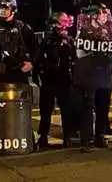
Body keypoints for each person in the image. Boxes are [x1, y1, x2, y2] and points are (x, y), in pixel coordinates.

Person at [72, 4, 112, 153]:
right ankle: (87, 139)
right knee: (87, 108)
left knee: (103, 108)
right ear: (94, 15)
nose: (105, 16)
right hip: (88, 75)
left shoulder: (108, 32)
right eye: (103, 13)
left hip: (104, 75)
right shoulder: (84, 31)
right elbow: (79, 53)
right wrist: (93, 48)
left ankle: (100, 135)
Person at [34, 12, 76, 149]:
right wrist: (38, 76)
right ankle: (43, 137)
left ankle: (68, 137)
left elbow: (74, 60)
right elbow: (39, 59)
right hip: (49, 80)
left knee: (66, 110)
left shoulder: (69, 41)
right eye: (61, 22)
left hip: (64, 80)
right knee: (46, 111)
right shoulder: (47, 41)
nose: (64, 25)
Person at [0, 0, 37, 85]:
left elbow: (35, 48)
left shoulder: (23, 27)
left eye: (6, 8)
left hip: (19, 73)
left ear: (14, 10)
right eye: (1, 7)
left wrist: (31, 63)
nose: (2, 10)